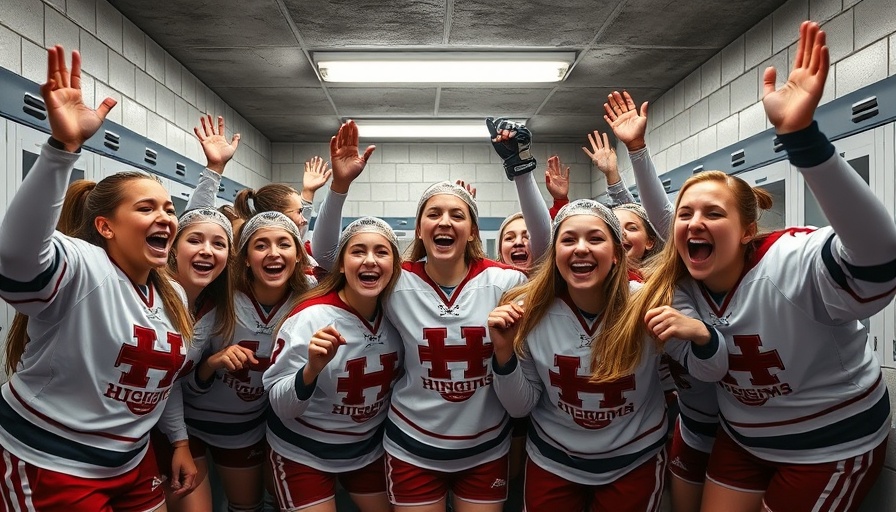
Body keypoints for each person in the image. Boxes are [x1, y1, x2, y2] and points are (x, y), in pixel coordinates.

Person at [608, 22, 896, 512]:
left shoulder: (790, 260)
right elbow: (668, 221)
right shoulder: (679, 282)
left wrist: (802, 140)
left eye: (715, 213)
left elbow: (879, 263)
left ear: (747, 231)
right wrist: (636, 152)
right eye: (687, 216)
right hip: (744, 436)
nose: (695, 223)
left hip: (828, 441)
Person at [310, 119, 551, 512]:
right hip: (412, 446)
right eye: (433, 214)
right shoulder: (394, 280)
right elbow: (325, 258)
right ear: (419, 230)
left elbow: (545, 256)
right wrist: (338, 188)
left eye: (457, 215)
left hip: (485, 445)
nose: (444, 222)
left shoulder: (502, 280)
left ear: (473, 231)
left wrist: (522, 171)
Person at [0, 45, 194, 510]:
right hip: (51, 460)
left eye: (169, 208)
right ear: (105, 226)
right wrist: (61, 150)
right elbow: (14, 258)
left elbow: (158, 382)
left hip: (130, 461)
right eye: (146, 208)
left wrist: (180, 442)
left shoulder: (171, 295)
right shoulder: (84, 264)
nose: (165, 216)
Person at [487, 199, 727, 511]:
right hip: (553, 461)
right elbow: (520, 407)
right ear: (554, 254)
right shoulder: (529, 311)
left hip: (633, 461)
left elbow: (713, 371)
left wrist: (703, 335)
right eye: (568, 240)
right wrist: (504, 354)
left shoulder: (648, 302)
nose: (581, 249)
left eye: (596, 238)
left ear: (617, 254)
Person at [601, 89, 716, 512]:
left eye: (633, 230)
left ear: (651, 241)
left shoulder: (667, 272)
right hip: (688, 417)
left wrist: (635, 154)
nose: (622, 236)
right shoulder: (631, 287)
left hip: (738, 419)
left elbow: (660, 219)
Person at [264, 216, 403, 512]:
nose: (369, 261)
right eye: (357, 251)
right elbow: (280, 406)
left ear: (394, 265)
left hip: (368, 449)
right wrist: (310, 370)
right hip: (303, 450)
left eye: (381, 252)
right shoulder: (309, 317)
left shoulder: (400, 315)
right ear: (341, 264)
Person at [183, 211, 314, 512]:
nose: (273, 253)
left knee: (248, 505)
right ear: (243, 257)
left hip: (246, 427)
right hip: (188, 423)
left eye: (284, 244)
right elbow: (179, 378)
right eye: (260, 245)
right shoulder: (219, 295)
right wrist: (212, 363)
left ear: (298, 255)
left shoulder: (309, 300)